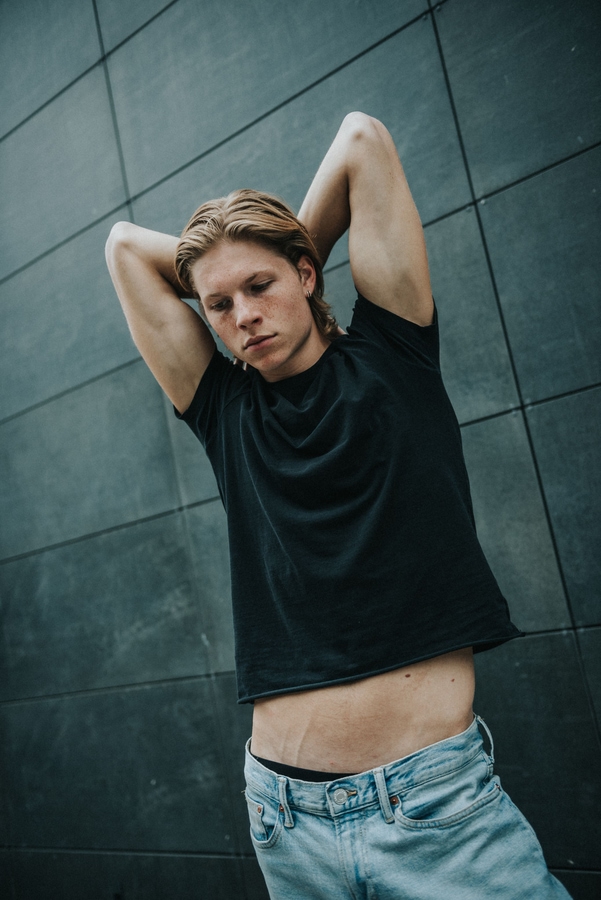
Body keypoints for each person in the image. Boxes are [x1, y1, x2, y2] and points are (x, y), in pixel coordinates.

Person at [106, 113, 571, 899]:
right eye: (218, 305)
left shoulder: (393, 354)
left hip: (434, 810)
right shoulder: (223, 410)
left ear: (308, 273)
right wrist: (243, 263)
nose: (242, 315)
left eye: (260, 286)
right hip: (285, 823)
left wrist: (281, 248)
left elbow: (361, 140)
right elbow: (122, 246)